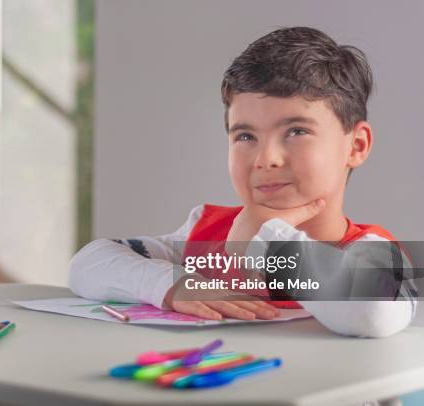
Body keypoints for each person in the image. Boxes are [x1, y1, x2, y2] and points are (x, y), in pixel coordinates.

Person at [68, 26, 417, 338]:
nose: (267, 158)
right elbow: (88, 263)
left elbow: (371, 313)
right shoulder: (205, 235)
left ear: (356, 146)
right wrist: (175, 284)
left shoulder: (376, 253)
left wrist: (265, 241)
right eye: (246, 136)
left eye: (297, 131)